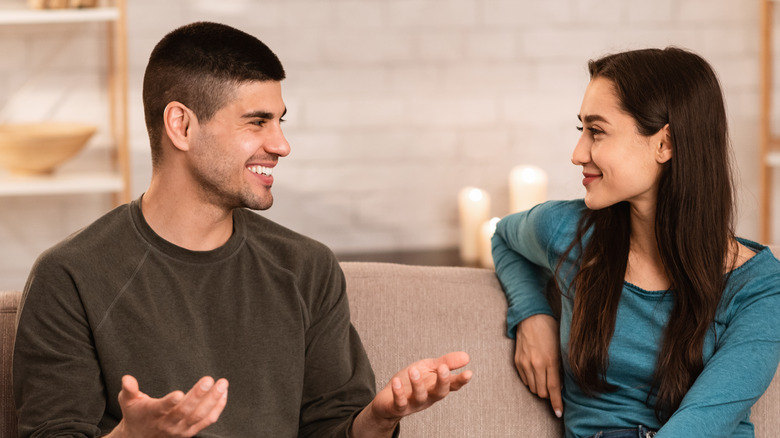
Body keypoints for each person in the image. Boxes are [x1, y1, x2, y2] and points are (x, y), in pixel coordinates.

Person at [13, 21, 472, 438]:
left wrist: (379, 417)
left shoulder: (307, 267)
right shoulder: (72, 275)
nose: (281, 145)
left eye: (279, 121)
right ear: (182, 125)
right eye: (257, 122)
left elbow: (330, 428)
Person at [491, 47, 780, 438]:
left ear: (665, 144)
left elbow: (702, 425)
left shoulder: (760, 288)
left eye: (597, 131)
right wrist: (532, 314)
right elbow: (504, 239)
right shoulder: (567, 231)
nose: (578, 155)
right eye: (582, 130)